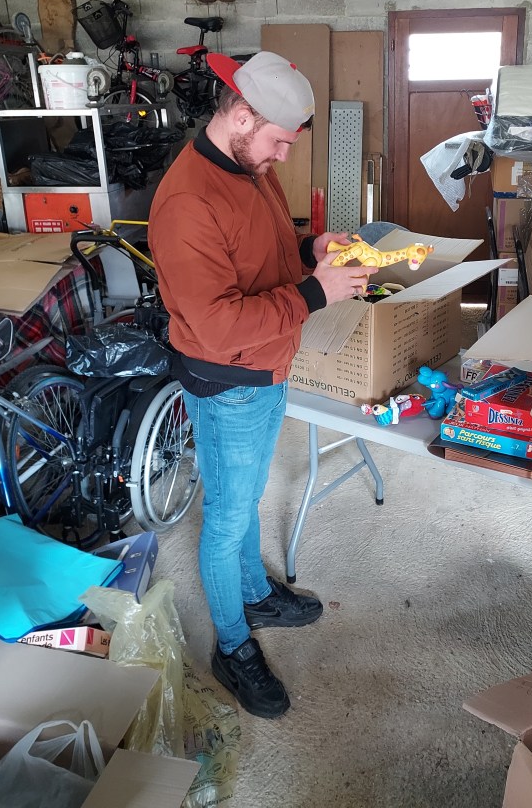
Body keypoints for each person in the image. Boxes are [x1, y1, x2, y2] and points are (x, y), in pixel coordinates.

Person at [149, 50, 377, 719]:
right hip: (230, 380)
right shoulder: (186, 202)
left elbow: (263, 252)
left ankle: (254, 593)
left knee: (243, 498)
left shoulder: (250, 166)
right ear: (242, 116)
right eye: (279, 141)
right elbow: (217, 326)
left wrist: (310, 251)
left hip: (267, 365)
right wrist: (316, 292)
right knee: (226, 519)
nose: (281, 156)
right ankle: (232, 644)